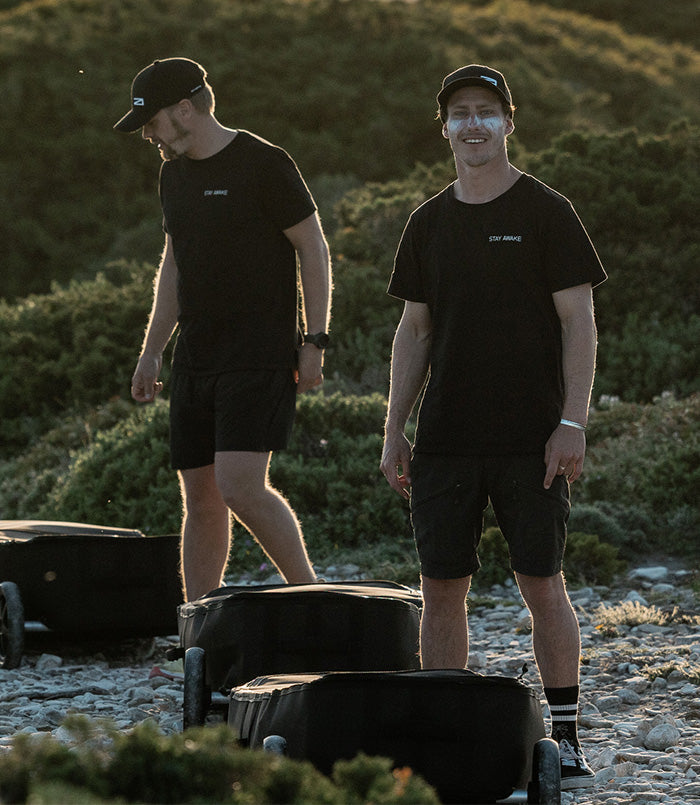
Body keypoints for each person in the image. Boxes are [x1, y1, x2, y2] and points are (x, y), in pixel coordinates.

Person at [380, 64, 606, 789]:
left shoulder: (547, 211)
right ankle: (444, 729)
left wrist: (572, 420)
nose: (472, 124)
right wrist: (394, 428)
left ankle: (566, 736)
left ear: (508, 122)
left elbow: (581, 323)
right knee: (442, 585)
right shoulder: (428, 222)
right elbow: (412, 333)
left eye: (486, 111)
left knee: (542, 581)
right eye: (458, 114)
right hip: (446, 437)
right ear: (443, 128)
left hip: (533, 437)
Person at [114, 58, 331, 602]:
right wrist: (152, 351)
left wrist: (314, 341)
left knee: (239, 486)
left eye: (151, 122)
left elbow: (313, 248)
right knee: (202, 498)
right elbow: (174, 264)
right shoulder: (173, 174)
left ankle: (317, 603)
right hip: (196, 356)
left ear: (185, 109)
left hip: (258, 353)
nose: (147, 135)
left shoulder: (264, 164)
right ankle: (197, 631)